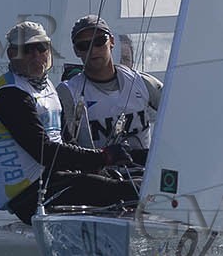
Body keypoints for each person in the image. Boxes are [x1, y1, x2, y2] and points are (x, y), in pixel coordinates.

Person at [0, 20, 138, 224]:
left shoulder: (46, 86)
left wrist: (99, 167)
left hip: (53, 181)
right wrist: (102, 157)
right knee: (130, 191)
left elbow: (66, 141)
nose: (36, 55)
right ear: (12, 54)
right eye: (27, 50)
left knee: (128, 179)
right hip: (30, 195)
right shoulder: (10, 95)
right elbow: (44, 152)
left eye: (41, 48)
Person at [58, 15, 161, 163]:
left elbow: (177, 113)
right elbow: (62, 148)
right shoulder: (67, 92)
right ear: (76, 51)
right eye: (84, 45)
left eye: (99, 41)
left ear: (111, 41)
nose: (93, 50)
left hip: (145, 175)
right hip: (101, 179)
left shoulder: (142, 82)